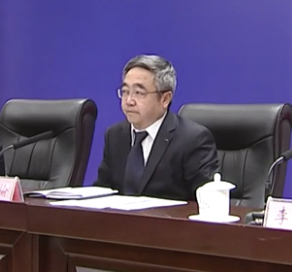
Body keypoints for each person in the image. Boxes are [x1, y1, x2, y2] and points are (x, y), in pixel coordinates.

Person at [94, 55, 219, 201]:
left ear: (165, 99)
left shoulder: (192, 140)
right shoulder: (115, 135)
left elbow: (207, 202)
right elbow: (102, 192)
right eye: (125, 91)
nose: (129, 101)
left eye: (139, 93)